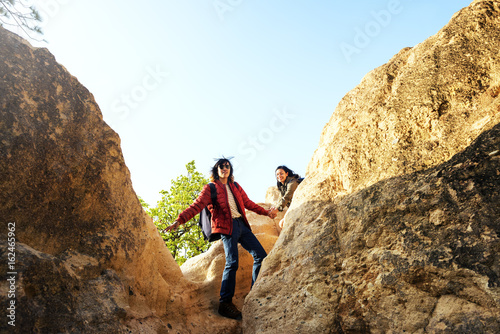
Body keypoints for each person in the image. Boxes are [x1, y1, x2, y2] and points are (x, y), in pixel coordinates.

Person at [163, 158, 277, 320]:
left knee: (261, 255)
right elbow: (196, 205)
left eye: (227, 166)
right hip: (226, 227)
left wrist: (267, 212)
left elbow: (248, 203)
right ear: (216, 171)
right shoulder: (210, 188)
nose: (225, 168)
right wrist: (179, 220)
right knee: (232, 263)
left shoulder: (236, 186)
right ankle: (225, 303)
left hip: (242, 226)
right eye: (221, 166)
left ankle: (254, 292)